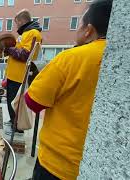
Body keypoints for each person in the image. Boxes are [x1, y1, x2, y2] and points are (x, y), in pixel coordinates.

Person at [25, 0, 113, 179]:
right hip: (99, 166)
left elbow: (32, 102)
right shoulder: (119, 58)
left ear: (88, 30)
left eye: (79, 24)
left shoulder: (71, 58)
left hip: (58, 164)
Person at [3, 9, 42, 134]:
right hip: (13, 76)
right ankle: (13, 122)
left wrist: (9, 50)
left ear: (21, 20)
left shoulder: (33, 33)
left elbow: (26, 54)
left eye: (16, 22)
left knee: (16, 104)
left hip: (20, 77)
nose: (16, 25)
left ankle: (17, 127)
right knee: (11, 101)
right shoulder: (25, 34)